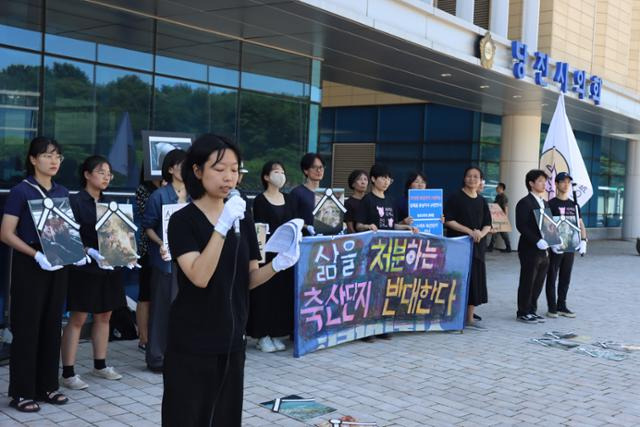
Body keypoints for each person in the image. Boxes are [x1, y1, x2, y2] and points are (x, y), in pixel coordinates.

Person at [162, 134, 300, 426]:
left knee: (226, 417)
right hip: (192, 340)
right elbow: (199, 276)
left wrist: (279, 263)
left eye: (235, 169)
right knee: (186, 417)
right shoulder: (182, 220)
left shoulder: (242, 217)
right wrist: (222, 226)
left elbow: (248, 278)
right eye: (219, 168)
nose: (229, 177)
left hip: (232, 337)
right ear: (197, 171)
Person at [0, 136, 76, 412]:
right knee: (28, 327)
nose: (54, 161)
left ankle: (47, 386)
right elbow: (6, 233)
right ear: (33, 159)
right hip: (32, 262)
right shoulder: (21, 191)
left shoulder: (62, 191)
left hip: (57, 262)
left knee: (51, 325)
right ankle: (21, 392)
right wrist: (37, 255)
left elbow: (64, 232)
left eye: (57, 156)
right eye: (47, 155)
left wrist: (74, 254)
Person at [60, 156, 130, 390]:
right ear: (87, 175)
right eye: (101, 172)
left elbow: (119, 237)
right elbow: (67, 238)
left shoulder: (111, 203)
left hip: (109, 268)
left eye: (109, 173)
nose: (106, 177)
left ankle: (100, 365)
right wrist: (88, 250)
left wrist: (128, 255)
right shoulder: (76, 202)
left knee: (105, 315)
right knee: (78, 318)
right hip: (84, 268)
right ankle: (68, 372)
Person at [355, 164, 416, 341]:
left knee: (384, 290)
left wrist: (405, 227)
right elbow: (358, 225)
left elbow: (391, 225)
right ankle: (365, 328)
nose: (386, 181)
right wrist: (368, 226)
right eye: (383, 177)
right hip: (371, 252)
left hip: (389, 252)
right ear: (373, 179)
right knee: (368, 290)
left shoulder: (390, 200)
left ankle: (381, 326)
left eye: (389, 179)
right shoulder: (367, 201)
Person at [142, 149, 188, 372]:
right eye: (181, 165)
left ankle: (180, 353)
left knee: (185, 308)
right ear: (170, 169)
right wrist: (161, 243)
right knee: (161, 308)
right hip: (166, 259)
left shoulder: (195, 194)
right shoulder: (159, 195)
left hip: (190, 259)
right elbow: (148, 226)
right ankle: (157, 357)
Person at [247, 161, 295, 352]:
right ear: (266, 177)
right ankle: (262, 335)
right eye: (276, 172)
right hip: (267, 254)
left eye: (282, 172)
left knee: (281, 294)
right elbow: (259, 229)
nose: (280, 175)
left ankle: (276, 332)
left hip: (285, 254)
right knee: (264, 294)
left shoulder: (289, 199)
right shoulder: (260, 200)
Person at [444, 167, 492, 331]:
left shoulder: (482, 200)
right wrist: (470, 231)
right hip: (459, 245)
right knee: (457, 280)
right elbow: (448, 220)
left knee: (475, 281)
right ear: (464, 178)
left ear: (480, 180)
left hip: (477, 247)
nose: (472, 179)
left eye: (476, 176)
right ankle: (453, 316)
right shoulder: (455, 198)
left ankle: (469, 317)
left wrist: (480, 233)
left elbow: (488, 224)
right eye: (469, 176)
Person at [545, 172, 588, 318]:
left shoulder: (574, 205)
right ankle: (552, 308)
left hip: (570, 246)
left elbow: (580, 223)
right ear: (556, 184)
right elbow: (546, 225)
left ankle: (562, 305)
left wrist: (583, 240)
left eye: (568, 182)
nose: (566, 184)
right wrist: (551, 243)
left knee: (565, 277)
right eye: (562, 182)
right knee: (552, 276)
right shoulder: (550, 204)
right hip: (555, 246)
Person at [515, 169, 554, 323]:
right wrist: (536, 240)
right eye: (540, 181)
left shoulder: (545, 203)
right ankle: (523, 311)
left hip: (544, 249)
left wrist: (553, 242)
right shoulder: (524, 202)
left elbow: (549, 226)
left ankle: (532, 309)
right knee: (528, 279)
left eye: (544, 181)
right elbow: (521, 225)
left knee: (539, 280)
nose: (543, 184)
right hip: (529, 248)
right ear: (531, 183)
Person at [134, 172, 161, 352]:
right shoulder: (145, 190)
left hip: (170, 251)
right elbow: (148, 219)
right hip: (148, 249)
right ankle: (143, 337)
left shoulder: (181, 190)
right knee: (145, 295)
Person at [289, 153, 324, 235]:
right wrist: (306, 227)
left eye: (321, 167)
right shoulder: (297, 193)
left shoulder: (327, 194)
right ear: (306, 170)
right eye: (314, 167)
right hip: (304, 240)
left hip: (324, 241)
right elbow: (291, 219)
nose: (318, 170)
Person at [487, 182, 512, 253]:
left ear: (501, 188)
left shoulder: (504, 197)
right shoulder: (498, 196)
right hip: (497, 217)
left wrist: (505, 218)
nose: (496, 188)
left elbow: (506, 207)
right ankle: (491, 247)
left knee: (503, 234)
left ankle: (508, 248)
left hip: (501, 217)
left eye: (497, 187)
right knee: (496, 233)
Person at [344, 169, 368, 234]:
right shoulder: (348, 203)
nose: (363, 182)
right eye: (359, 179)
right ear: (353, 184)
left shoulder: (370, 199)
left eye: (365, 179)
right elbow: (350, 227)